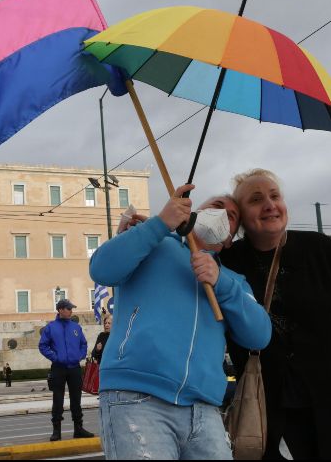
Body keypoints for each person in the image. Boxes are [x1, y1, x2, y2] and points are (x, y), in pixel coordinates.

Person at [90, 185, 272, 460]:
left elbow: (259, 335)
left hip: (205, 409)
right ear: (194, 212)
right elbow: (101, 269)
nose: (222, 214)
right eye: (217, 205)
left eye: (232, 216)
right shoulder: (154, 243)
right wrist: (159, 224)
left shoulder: (234, 281)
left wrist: (220, 282)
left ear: (229, 240)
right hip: (136, 396)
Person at [221, 169, 331, 460]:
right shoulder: (227, 261)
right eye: (256, 199)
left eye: (275, 196)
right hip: (268, 412)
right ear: (241, 218)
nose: (270, 205)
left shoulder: (321, 249)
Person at [39, 299, 94, 442]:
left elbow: (83, 344)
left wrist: (80, 356)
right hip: (58, 368)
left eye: (71, 309)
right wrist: (55, 357)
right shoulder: (51, 327)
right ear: (60, 310)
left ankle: (78, 428)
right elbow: (43, 346)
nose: (71, 311)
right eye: (69, 309)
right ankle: (56, 430)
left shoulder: (76, 327)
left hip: (74, 368)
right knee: (58, 399)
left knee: (76, 399)